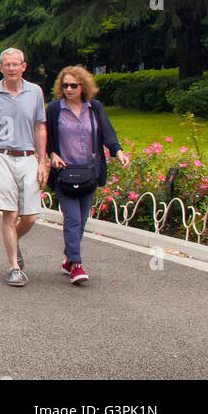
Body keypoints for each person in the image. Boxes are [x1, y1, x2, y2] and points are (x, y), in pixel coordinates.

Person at [46, 66, 130, 285]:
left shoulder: (95, 108)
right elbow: (46, 138)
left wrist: (118, 152)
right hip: (65, 173)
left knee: (81, 220)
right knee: (72, 218)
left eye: (74, 85)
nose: (69, 89)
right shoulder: (55, 109)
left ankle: (68, 259)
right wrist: (52, 154)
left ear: (84, 86)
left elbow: (108, 133)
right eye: (65, 86)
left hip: (89, 173)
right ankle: (76, 264)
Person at [0, 47, 48, 287]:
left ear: (24, 67)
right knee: (10, 212)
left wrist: (42, 161)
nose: (12, 68)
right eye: (7, 64)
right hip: (0, 156)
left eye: (16, 64)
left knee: (31, 216)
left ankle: (13, 243)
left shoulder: (35, 92)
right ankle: (14, 267)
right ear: (1, 68)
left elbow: (40, 127)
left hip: (27, 157)